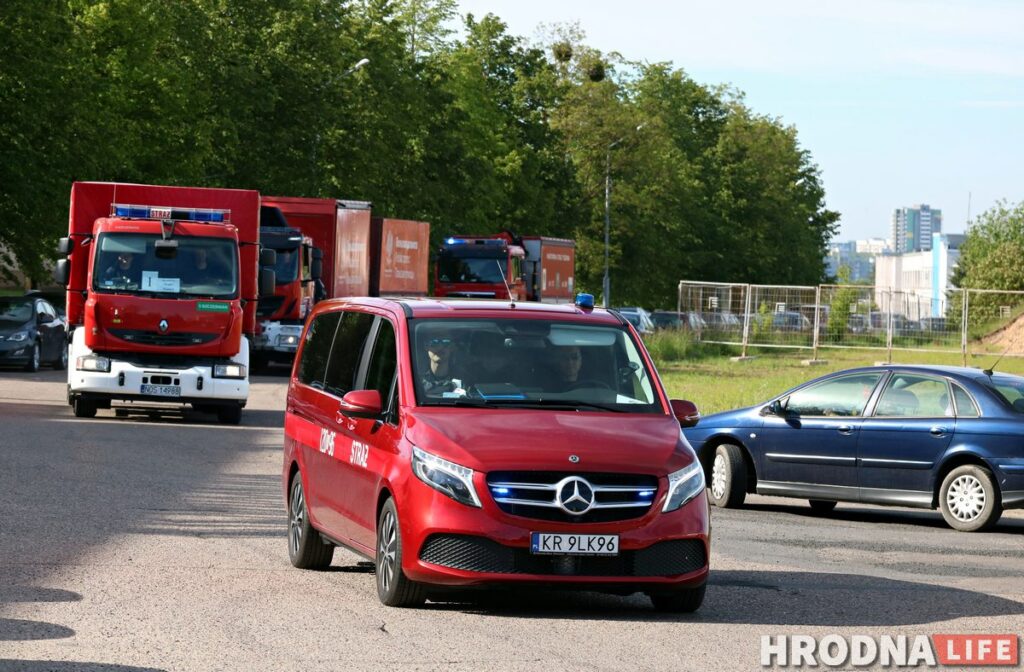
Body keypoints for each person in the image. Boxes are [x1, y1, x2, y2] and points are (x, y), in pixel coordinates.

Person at [420, 330, 465, 396]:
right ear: (426, 346)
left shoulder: (464, 378)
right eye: (434, 342)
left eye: (446, 342)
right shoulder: (415, 378)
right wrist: (452, 386)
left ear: (452, 347)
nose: (440, 347)